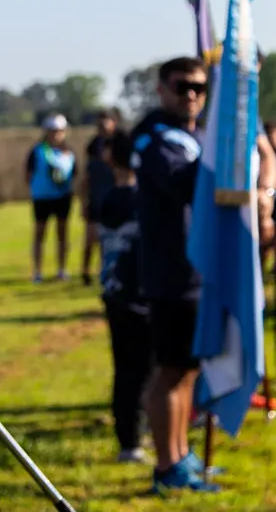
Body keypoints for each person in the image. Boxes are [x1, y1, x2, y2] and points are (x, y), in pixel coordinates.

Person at [131, 55, 274, 494]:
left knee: (189, 371)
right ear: (161, 88)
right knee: (170, 373)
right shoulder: (154, 138)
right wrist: (226, 144)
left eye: (199, 88)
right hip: (171, 272)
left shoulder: (191, 135)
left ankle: (180, 454)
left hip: (200, 271)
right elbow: (187, 182)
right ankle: (166, 465)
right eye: (181, 86)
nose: (190, 94)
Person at [94, 129, 151, 464]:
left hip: (113, 293)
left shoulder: (108, 199)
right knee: (143, 371)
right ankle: (137, 437)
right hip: (139, 296)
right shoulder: (139, 200)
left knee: (124, 370)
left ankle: (129, 441)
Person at [25, 113, 76, 282]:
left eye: (59, 131)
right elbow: (28, 174)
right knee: (40, 234)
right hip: (42, 198)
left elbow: (75, 175)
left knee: (62, 233)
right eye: (53, 131)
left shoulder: (69, 153)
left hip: (63, 197)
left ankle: (62, 269)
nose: (56, 134)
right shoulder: (37, 151)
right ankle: (37, 272)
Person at [80, 108, 119, 286]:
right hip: (96, 198)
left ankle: (106, 271)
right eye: (100, 121)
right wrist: (83, 201)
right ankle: (85, 272)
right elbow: (86, 177)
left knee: (108, 241)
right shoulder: (93, 145)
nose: (103, 125)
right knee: (90, 239)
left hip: (113, 199)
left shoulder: (120, 143)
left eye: (106, 120)